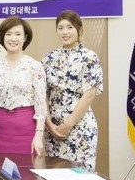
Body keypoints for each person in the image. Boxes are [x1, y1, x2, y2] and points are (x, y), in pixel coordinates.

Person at [41, 10, 103, 171]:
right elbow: (41, 95)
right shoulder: (49, 58)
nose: (65, 32)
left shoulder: (89, 57)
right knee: (55, 176)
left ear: (79, 29)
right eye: (60, 28)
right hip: (53, 131)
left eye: (69, 27)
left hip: (80, 128)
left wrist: (68, 125)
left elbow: (89, 95)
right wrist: (49, 124)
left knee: (80, 177)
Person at [0, 16, 46, 155]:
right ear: (2, 37)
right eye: (9, 34)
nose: (13, 38)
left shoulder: (35, 66)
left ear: (25, 38)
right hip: (0, 129)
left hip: (26, 128)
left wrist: (39, 135)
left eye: (18, 34)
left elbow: (40, 104)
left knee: (27, 167)